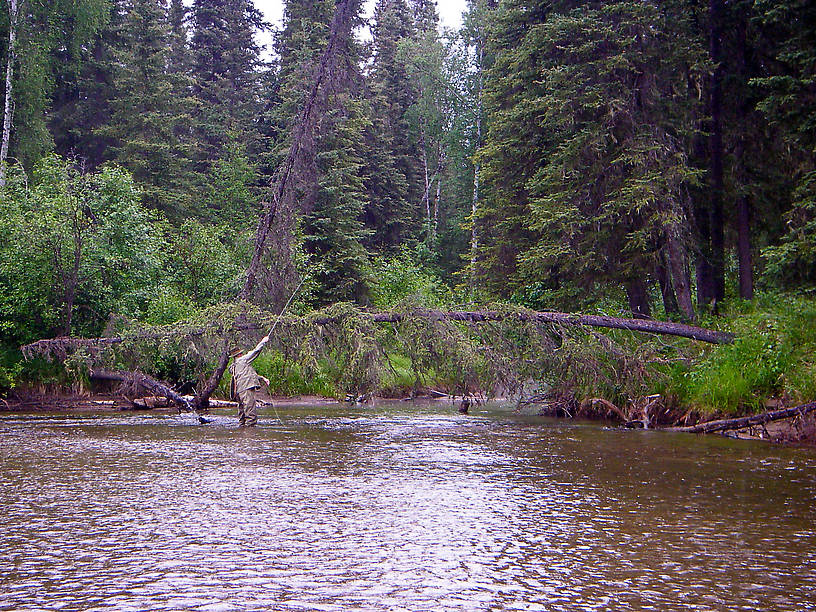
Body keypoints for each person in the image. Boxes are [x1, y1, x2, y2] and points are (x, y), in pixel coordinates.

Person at [229, 335, 270, 427]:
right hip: (246, 388)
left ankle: (242, 431)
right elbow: (255, 352)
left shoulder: (234, 366)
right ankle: (250, 434)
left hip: (239, 391)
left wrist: (263, 378)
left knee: (242, 412)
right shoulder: (242, 360)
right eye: (241, 353)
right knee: (250, 411)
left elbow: (247, 375)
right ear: (239, 355)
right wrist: (263, 341)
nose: (243, 354)